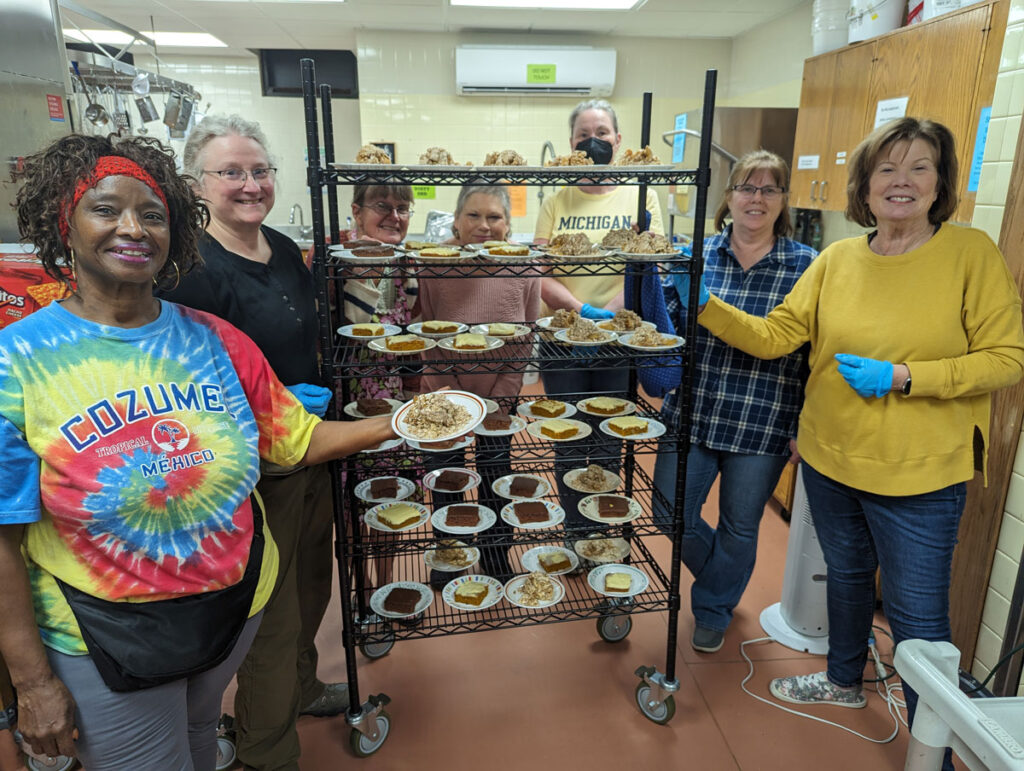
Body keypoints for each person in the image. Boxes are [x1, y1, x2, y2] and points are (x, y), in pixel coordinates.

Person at [0, 133, 396, 771]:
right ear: (62, 224)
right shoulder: (16, 362)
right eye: (105, 209)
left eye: (152, 214)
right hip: (105, 633)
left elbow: (296, 440)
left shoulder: (214, 340)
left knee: (198, 743)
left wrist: (406, 422)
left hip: (232, 607)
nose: (132, 227)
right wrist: (32, 682)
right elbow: (1, 537)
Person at [683, 118, 1024, 768]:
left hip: (920, 476)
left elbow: (1008, 358)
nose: (901, 181)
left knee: (918, 619)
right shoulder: (838, 259)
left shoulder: (969, 255)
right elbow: (777, 333)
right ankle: (843, 682)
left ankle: (937, 753)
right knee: (843, 576)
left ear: (940, 183)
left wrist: (904, 377)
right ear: (865, 186)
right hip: (831, 459)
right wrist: (704, 306)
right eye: (886, 169)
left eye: (918, 167)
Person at [155, 114, 342, 771]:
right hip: (252, 471)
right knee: (275, 613)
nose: (249, 184)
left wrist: (309, 397)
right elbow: (184, 388)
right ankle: (267, 750)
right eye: (230, 171)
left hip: (312, 451)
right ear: (196, 184)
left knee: (313, 587)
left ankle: (304, 688)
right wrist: (275, 405)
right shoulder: (192, 273)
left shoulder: (284, 249)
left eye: (259, 170)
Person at [642, 151, 816, 654]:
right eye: (746, 187)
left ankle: (713, 607)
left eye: (769, 189)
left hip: (762, 419)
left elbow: (815, 354)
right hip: (694, 409)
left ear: (783, 200)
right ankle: (723, 580)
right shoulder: (696, 255)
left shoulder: (806, 266)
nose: (756, 198)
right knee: (669, 512)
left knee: (741, 524)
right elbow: (665, 329)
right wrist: (645, 280)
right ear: (729, 196)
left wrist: (808, 423)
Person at [534, 99, 666, 527]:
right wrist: (580, 313)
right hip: (562, 344)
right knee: (568, 440)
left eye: (602, 134)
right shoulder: (556, 202)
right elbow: (539, 273)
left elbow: (650, 264)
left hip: (618, 342)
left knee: (610, 439)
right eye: (584, 137)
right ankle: (577, 532)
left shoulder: (640, 196)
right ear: (572, 145)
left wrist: (609, 317)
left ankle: (604, 538)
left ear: (619, 140)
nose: (594, 143)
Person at [419, 185, 541, 580]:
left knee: (496, 476)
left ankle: (494, 555)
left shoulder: (525, 265)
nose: (484, 226)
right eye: (473, 216)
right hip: (442, 395)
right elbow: (426, 333)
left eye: (494, 217)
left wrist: (499, 400)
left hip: (499, 398)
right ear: (456, 220)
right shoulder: (433, 263)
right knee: (446, 477)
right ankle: (449, 557)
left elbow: (526, 337)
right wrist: (451, 395)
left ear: (508, 225)